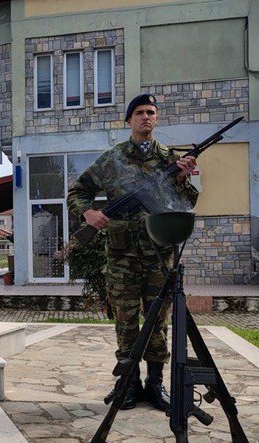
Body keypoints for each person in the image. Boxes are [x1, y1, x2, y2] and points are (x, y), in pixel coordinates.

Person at [66, 94, 199, 411]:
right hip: (122, 256)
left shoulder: (171, 160)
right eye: (139, 112)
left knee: (157, 323)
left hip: (159, 255)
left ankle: (155, 384)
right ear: (129, 120)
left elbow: (188, 203)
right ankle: (128, 385)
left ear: (157, 118)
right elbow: (78, 190)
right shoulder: (112, 159)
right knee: (125, 323)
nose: (146, 117)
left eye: (151, 112)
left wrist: (182, 179)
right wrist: (88, 213)